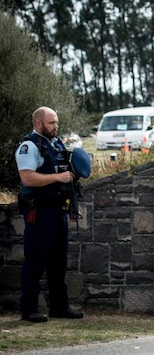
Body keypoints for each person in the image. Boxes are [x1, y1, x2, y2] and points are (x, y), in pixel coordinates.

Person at [15, 107, 84, 322]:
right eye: (51, 123)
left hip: (57, 209)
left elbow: (63, 172)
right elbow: (27, 179)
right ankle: (28, 310)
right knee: (35, 261)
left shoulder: (55, 144)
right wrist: (58, 178)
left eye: (56, 122)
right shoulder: (29, 146)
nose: (56, 127)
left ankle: (59, 307)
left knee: (58, 261)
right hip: (39, 211)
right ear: (38, 123)